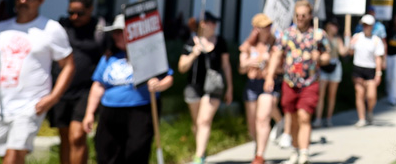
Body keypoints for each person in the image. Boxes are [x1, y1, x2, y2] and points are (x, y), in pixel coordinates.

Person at [0, 0, 76, 164]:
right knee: (8, 156)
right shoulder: (0, 29)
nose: (23, 0)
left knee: (13, 155)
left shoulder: (51, 29)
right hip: (3, 104)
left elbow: (69, 65)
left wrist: (53, 98)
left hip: (31, 104)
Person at [82, 15, 175, 164]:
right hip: (110, 111)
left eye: (121, 32)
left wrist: (158, 85)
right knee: (106, 151)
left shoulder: (149, 55)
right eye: (116, 32)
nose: (117, 36)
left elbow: (168, 78)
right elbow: (98, 85)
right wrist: (89, 113)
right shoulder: (108, 57)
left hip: (140, 110)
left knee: (136, 151)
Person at [265, 0, 329, 164]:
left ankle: (304, 153)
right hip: (290, 82)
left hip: (310, 82)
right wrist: (270, 76)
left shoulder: (318, 35)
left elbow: (329, 56)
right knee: (292, 118)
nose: (300, 18)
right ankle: (295, 150)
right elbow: (276, 55)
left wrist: (320, 58)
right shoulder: (286, 34)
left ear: (310, 16)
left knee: (304, 117)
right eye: (297, 15)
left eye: (303, 15)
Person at [51, 0, 104, 164]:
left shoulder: (99, 29)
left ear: (90, 9)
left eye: (79, 13)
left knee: (77, 136)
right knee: (65, 137)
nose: (74, 17)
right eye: (71, 12)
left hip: (85, 91)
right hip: (61, 89)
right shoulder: (61, 27)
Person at [177, 12, 233, 164]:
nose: (215, 26)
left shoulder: (220, 42)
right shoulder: (191, 42)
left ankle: (199, 157)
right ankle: (201, 150)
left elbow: (226, 66)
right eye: (212, 22)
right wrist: (193, 54)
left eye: (216, 23)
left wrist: (230, 88)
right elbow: (181, 68)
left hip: (213, 87)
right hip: (194, 86)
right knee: (196, 124)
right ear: (203, 24)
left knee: (204, 120)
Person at [240, 13, 280, 164]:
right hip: (252, 84)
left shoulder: (275, 43)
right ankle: (258, 147)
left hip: (268, 84)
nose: (268, 29)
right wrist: (253, 60)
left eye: (269, 25)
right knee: (252, 124)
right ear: (256, 29)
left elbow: (282, 66)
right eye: (264, 26)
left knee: (262, 118)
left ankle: (260, 155)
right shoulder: (249, 45)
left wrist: (272, 62)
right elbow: (241, 67)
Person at [347, 14, 385, 126]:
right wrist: (350, 44)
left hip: (371, 69)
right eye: (364, 25)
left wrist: (378, 73)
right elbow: (350, 53)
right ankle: (362, 118)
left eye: (368, 25)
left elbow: (378, 58)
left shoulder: (376, 40)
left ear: (372, 26)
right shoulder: (357, 37)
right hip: (358, 68)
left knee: (371, 96)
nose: (366, 27)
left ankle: (369, 111)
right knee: (360, 93)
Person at [314, 20, 347, 128]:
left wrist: (348, 40)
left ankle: (328, 119)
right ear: (328, 26)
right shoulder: (320, 37)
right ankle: (318, 119)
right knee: (321, 95)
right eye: (334, 25)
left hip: (335, 66)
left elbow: (343, 52)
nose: (336, 28)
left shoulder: (338, 39)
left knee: (331, 96)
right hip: (323, 67)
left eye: (337, 26)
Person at [384, 12, 396, 105]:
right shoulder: (388, 30)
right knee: (389, 77)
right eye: (395, 19)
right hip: (388, 55)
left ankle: (394, 97)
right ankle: (389, 94)